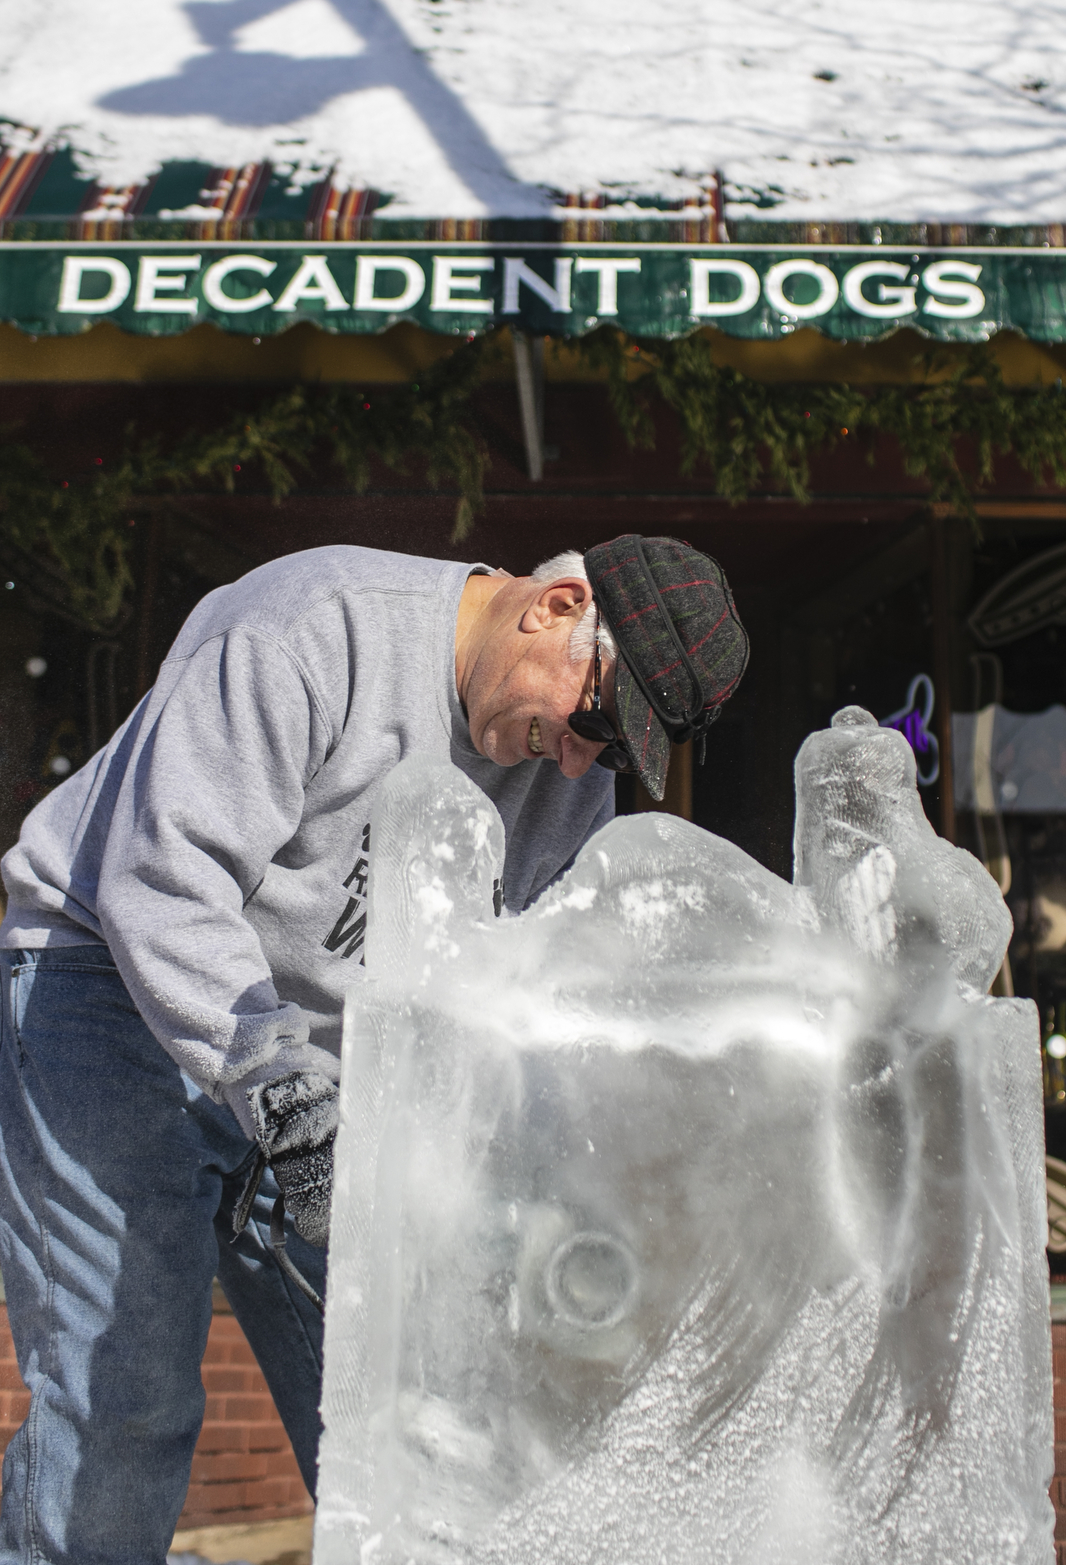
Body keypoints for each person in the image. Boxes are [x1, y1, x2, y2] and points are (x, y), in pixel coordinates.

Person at [0, 533, 747, 1565]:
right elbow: (160, 880)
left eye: (616, 753)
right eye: (593, 719)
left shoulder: (565, 783)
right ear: (557, 604)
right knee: (126, 1389)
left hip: (321, 1058)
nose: (582, 761)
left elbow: (505, 1007)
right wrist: (286, 1093)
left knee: (405, 1408)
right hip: (109, 986)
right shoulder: (315, 625)